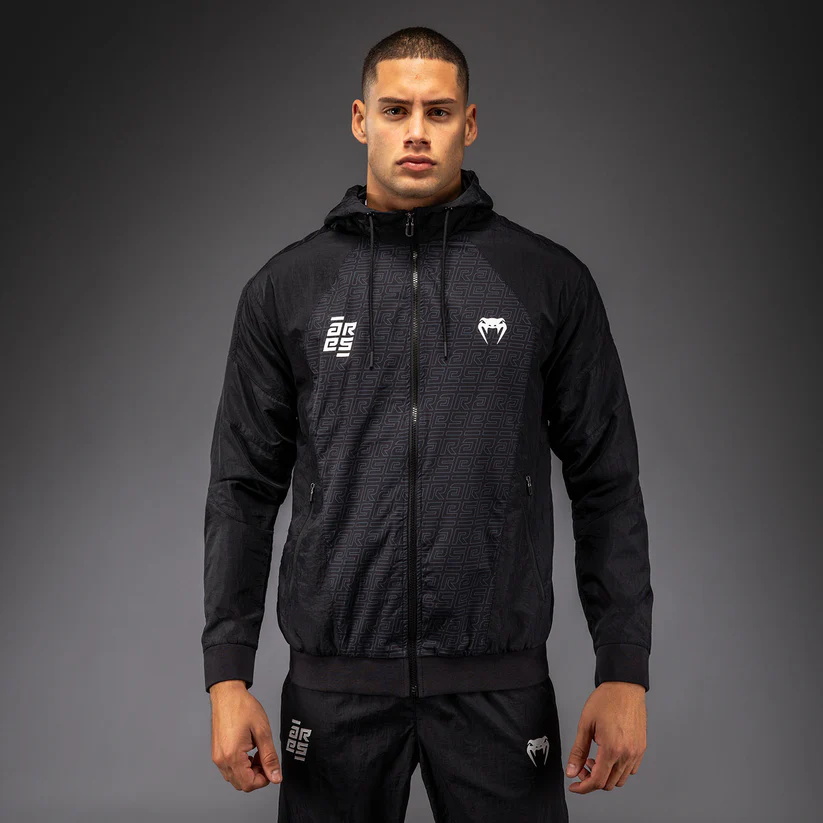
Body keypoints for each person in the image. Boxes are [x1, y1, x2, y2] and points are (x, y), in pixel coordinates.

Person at [201, 25, 652, 823]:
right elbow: (242, 489)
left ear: (467, 124)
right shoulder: (288, 289)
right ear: (360, 120)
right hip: (335, 685)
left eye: (437, 112)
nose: (416, 131)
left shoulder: (544, 281)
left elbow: (606, 482)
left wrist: (622, 667)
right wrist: (227, 675)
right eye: (396, 109)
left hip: (498, 686)